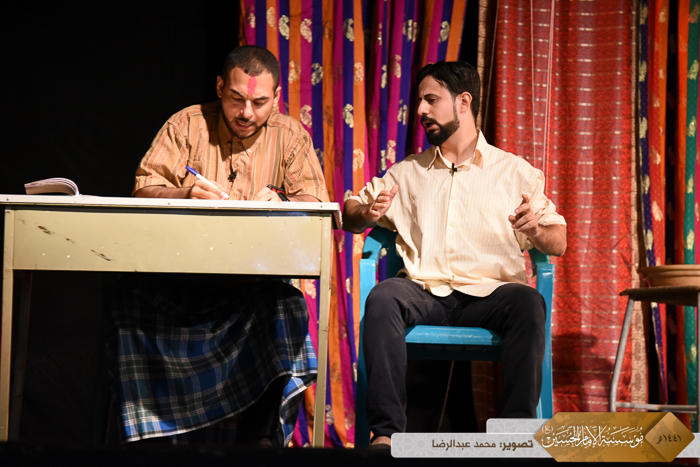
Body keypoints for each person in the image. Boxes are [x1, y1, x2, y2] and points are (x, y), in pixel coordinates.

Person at [107, 45, 329, 447]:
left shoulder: (291, 136)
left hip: (250, 289)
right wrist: (184, 193)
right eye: (236, 99)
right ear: (219, 87)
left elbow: (316, 204)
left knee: (286, 305)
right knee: (128, 295)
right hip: (180, 283)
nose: (246, 113)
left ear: (276, 97)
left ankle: (258, 443)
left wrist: (282, 199)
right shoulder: (186, 125)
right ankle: (153, 439)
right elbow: (143, 189)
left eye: (259, 103)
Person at [343, 61, 567, 447]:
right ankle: (386, 435)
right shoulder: (406, 173)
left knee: (529, 303)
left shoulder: (515, 173)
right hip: (425, 293)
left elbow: (558, 241)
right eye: (420, 101)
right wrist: (368, 212)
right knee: (383, 297)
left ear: (464, 102)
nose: (421, 110)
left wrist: (535, 229)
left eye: (431, 100)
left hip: (491, 296)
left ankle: (514, 439)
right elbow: (349, 213)